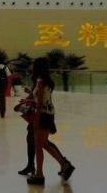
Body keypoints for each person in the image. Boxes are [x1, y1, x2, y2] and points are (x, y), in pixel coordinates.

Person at [27, 57, 75, 186]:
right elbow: (41, 100)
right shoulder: (43, 81)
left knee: (41, 145)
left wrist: (36, 120)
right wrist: (29, 100)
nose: (32, 67)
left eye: (33, 65)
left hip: (43, 115)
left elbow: (40, 104)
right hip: (47, 114)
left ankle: (45, 172)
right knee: (42, 144)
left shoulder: (41, 82)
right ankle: (58, 167)